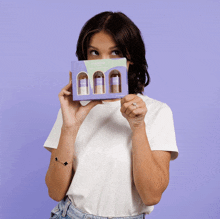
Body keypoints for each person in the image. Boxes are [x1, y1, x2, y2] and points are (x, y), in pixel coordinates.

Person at [44, 11, 179, 219]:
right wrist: (69, 128)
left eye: (115, 52)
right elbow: (55, 191)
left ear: (130, 59)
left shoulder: (157, 112)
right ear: (85, 57)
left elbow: (151, 195)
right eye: (94, 53)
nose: (103, 62)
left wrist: (138, 127)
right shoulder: (71, 111)